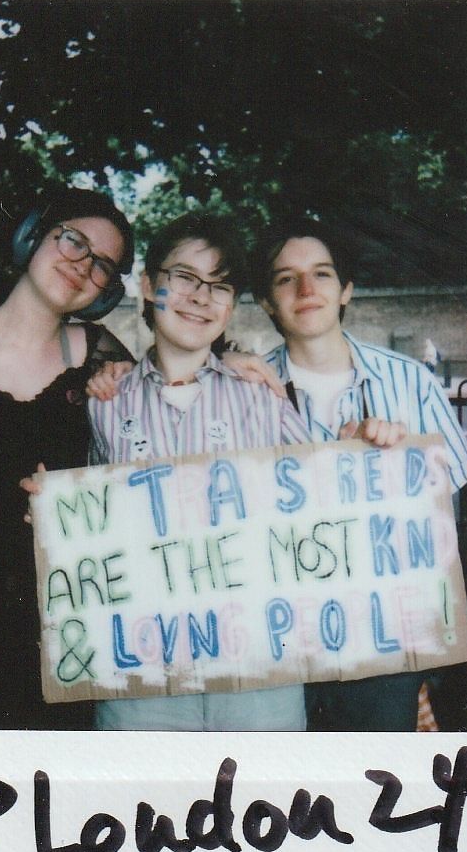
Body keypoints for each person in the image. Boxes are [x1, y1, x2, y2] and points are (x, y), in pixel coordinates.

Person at [79, 213, 405, 731]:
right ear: (148, 285)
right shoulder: (105, 402)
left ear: (232, 304)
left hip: (261, 679)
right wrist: (53, 520)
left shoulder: (262, 394)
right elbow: (88, 540)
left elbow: (324, 506)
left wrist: (363, 454)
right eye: (184, 277)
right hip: (141, 683)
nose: (200, 297)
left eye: (219, 285)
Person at [251, 215, 467, 731]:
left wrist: (392, 468)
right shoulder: (244, 391)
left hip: (387, 644)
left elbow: (449, 526)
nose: (306, 288)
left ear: (346, 289)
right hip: (281, 643)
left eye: (322, 273)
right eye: (286, 278)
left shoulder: (410, 381)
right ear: (266, 301)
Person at [0, 187, 135, 729]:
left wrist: (242, 369)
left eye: (101, 266)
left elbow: (154, 460)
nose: (82, 265)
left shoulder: (103, 357)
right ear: (33, 236)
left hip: (75, 641)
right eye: (73, 241)